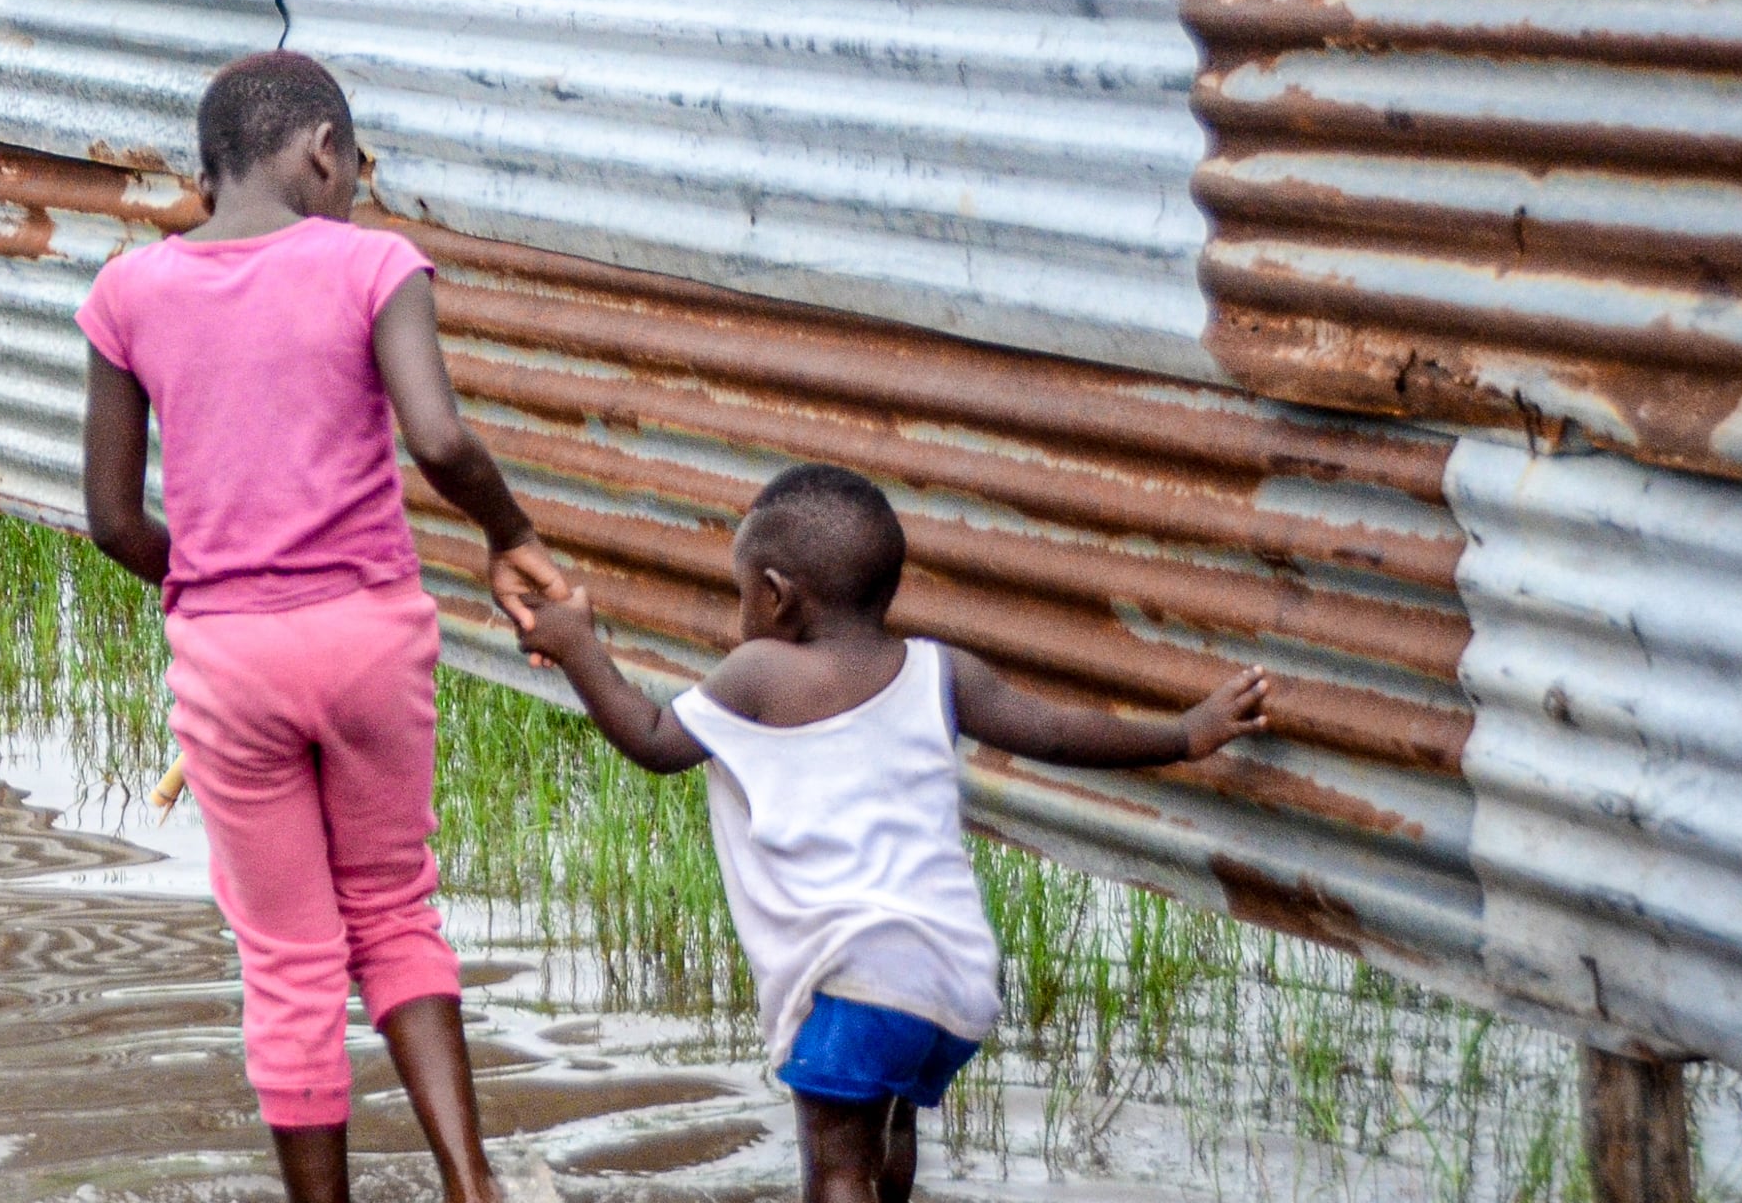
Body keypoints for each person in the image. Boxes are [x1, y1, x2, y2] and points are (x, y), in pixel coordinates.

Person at [78, 49, 573, 1203]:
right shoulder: (373, 265)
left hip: (230, 657)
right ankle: (470, 1184)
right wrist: (508, 533)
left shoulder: (127, 292)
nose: (356, 189)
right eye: (357, 168)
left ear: (207, 175)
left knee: (291, 965)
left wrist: (202, 581)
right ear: (323, 152)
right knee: (396, 911)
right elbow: (442, 444)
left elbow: (109, 518)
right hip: (367, 637)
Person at [515, 463, 1272, 1203]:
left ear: (775, 597)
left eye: (741, 592)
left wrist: (580, 646)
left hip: (855, 971)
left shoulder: (761, 673)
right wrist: (1184, 733)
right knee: (888, 1139)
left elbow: (652, 739)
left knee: (837, 1168)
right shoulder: (939, 670)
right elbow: (1057, 733)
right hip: (953, 975)